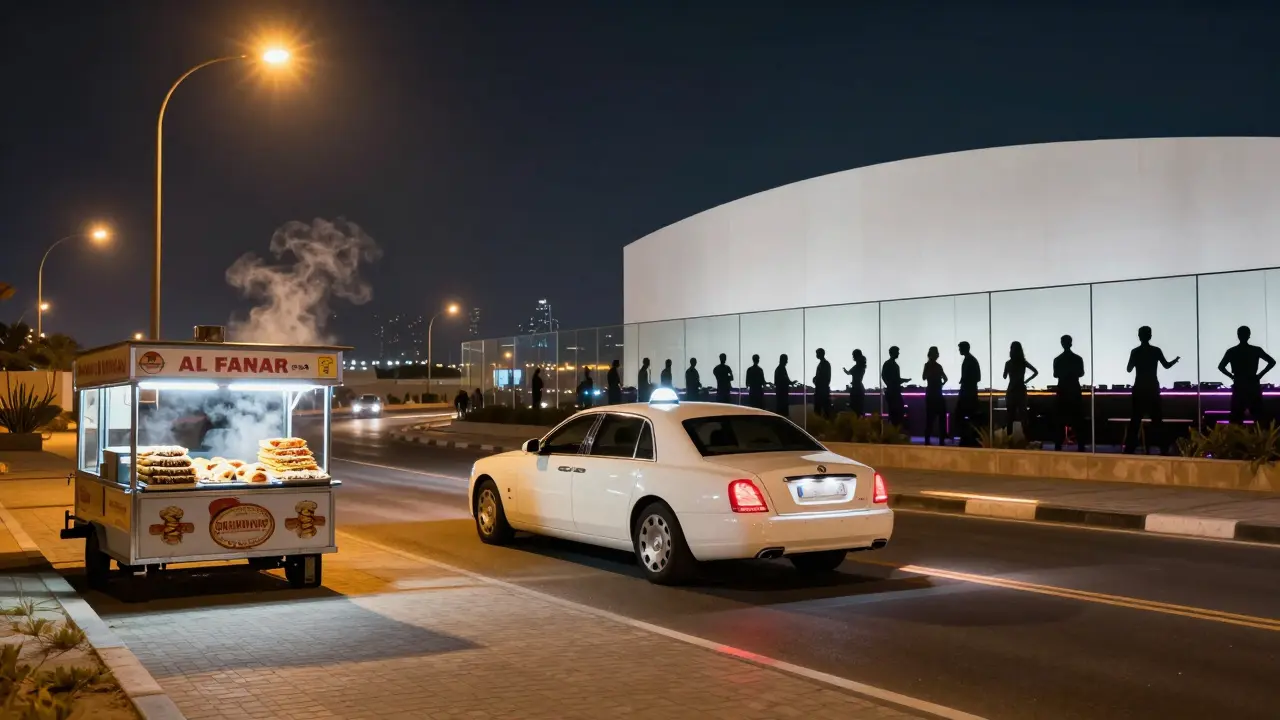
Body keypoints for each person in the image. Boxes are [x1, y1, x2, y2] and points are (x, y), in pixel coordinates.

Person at [1125, 326, 1180, 454]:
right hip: (1152, 387)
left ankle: (1129, 449)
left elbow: (1128, 369)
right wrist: (1175, 361)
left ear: (1139, 336)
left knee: (1135, 420)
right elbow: (1166, 366)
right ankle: (1163, 449)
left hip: (1139, 388)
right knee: (1157, 420)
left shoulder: (1135, 352)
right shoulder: (1156, 351)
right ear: (1150, 336)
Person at [1219, 326, 1276, 425]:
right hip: (1252, 383)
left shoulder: (1232, 351)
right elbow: (1272, 362)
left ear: (1238, 335)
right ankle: (1259, 438)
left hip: (1239, 383)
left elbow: (1221, 367)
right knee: (1258, 417)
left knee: (1236, 418)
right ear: (1249, 335)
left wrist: (1232, 376)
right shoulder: (1256, 350)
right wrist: (1260, 375)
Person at [1053, 335, 1086, 451]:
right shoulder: (1078, 359)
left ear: (1062, 344)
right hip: (1074, 390)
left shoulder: (1057, 359)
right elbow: (1081, 373)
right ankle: (1081, 446)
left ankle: (1058, 446)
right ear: (1071, 343)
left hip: (1062, 390)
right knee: (1078, 420)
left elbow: (1055, 374)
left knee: (1060, 421)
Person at [1003, 342, 1038, 435]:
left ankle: (1009, 440)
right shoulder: (1023, 362)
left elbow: (1004, 376)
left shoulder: (1008, 363)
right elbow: (1035, 372)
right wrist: (1026, 380)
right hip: (1021, 390)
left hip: (1011, 390)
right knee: (1023, 417)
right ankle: (1026, 439)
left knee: (1010, 417)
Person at [955, 342, 982, 446]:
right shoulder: (970, 360)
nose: (959, 350)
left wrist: (966, 381)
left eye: (960, 348)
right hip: (969, 392)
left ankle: (967, 439)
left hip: (968, 393)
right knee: (967, 416)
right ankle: (967, 438)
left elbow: (976, 377)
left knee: (964, 416)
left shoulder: (970, 360)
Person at [922, 347, 948, 445]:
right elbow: (945, 378)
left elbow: (924, 377)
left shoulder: (928, 366)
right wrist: (940, 384)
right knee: (941, 418)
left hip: (931, 394)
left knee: (930, 418)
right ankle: (941, 440)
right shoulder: (938, 366)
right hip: (938, 394)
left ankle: (927, 440)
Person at [881, 346, 910, 427]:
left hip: (893, 391)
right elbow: (888, 377)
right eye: (897, 352)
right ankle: (894, 428)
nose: (898, 353)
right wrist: (891, 384)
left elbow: (885, 376)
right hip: (893, 392)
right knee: (896, 411)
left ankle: (893, 428)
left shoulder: (890, 364)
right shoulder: (892, 364)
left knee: (895, 411)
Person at [843, 349, 868, 417]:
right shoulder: (861, 366)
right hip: (859, 388)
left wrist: (845, 370)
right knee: (859, 408)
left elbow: (848, 373)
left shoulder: (857, 366)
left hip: (856, 389)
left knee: (855, 408)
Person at [813, 348, 833, 419]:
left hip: (821, 391)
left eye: (817, 353)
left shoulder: (824, 364)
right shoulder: (824, 364)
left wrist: (816, 380)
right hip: (822, 390)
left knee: (820, 410)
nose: (816, 355)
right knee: (823, 410)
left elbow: (824, 377)